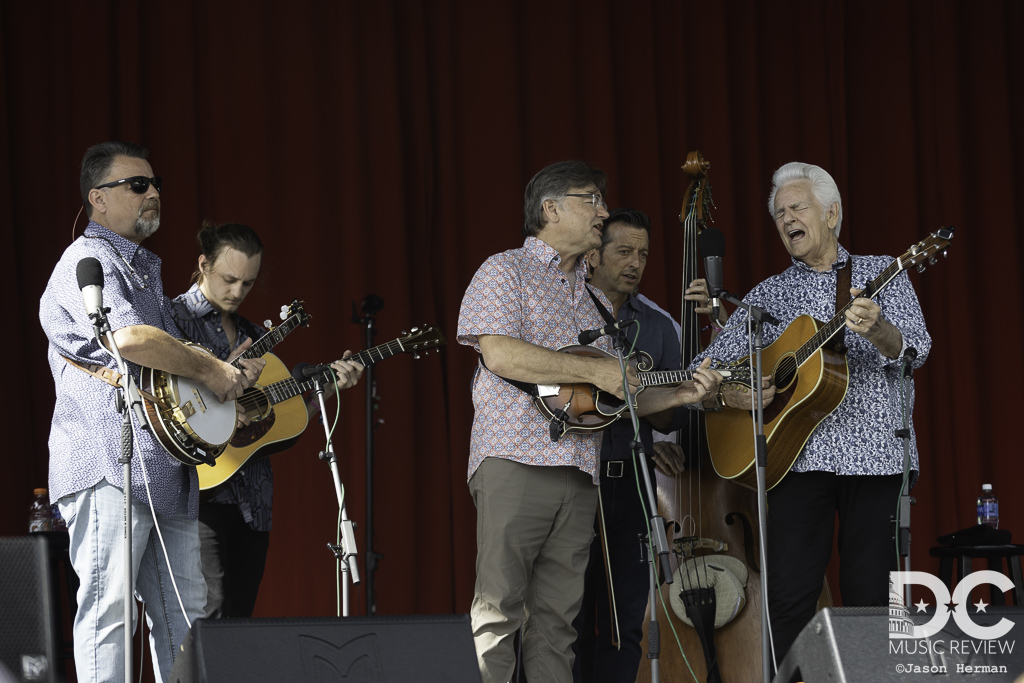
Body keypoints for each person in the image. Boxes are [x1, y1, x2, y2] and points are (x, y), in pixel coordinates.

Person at [456, 161, 722, 683]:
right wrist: (599, 370)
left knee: (558, 623)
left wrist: (685, 391)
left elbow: (611, 399)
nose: (603, 211)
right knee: (499, 612)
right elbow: (501, 354)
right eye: (591, 200)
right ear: (551, 209)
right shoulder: (504, 269)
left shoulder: (596, 300)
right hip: (517, 460)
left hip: (582, 474)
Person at [39, 141, 265, 683]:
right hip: (107, 463)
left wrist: (227, 374)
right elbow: (133, 339)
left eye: (155, 182)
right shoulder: (86, 262)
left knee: (185, 617)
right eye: (137, 185)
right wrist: (211, 372)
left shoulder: (144, 272)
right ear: (98, 198)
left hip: (166, 470)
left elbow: (169, 365)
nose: (153, 193)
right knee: (110, 615)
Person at [690, 161, 930, 668]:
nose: (786, 220)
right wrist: (730, 394)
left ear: (832, 212)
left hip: (876, 458)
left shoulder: (882, 271)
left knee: (870, 597)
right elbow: (702, 372)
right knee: (790, 598)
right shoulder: (767, 295)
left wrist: (880, 329)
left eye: (797, 207)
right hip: (795, 461)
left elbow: (914, 352)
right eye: (779, 214)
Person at [571, 209, 755, 682]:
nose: (636, 262)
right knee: (562, 620)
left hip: (628, 488)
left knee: (624, 623)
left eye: (644, 254)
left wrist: (642, 400)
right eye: (624, 251)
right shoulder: (561, 309)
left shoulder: (657, 324)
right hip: (567, 482)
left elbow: (670, 416)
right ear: (593, 255)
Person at [170, 221, 364, 619]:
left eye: (248, 283)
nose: (238, 292)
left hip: (252, 501)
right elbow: (161, 401)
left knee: (240, 624)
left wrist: (326, 392)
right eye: (229, 279)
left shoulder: (255, 336)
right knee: (209, 621)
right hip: (198, 492)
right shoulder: (170, 322)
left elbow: (283, 422)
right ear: (203, 264)